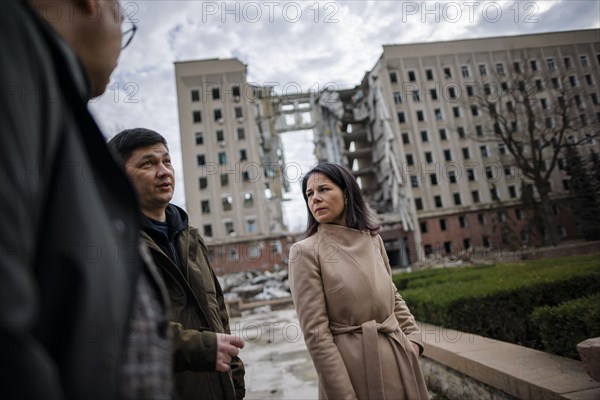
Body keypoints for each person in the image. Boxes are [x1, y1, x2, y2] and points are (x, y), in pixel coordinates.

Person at [0, 0, 173, 399]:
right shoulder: (16, 52)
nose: (164, 172)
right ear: (94, 4)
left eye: (167, 161)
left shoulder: (54, 99)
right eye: (124, 27)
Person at [107, 128, 246, 400]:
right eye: (148, 163)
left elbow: (218, 312)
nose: (163, 171)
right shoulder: (112, 243)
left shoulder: (190, 237)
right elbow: (121, 329)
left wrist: (236, 379)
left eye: (166, 161)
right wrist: (201, 348)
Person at [288, 162, 429, 400]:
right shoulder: (305, 252)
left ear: (346, 193)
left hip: (400, 362)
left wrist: (413, 339)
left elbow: (392, 296)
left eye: (324, 189)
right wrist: (344, 396)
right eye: (309, 194)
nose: (315, 198)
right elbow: (317, 335)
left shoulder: (374, 240)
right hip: (352, 372)